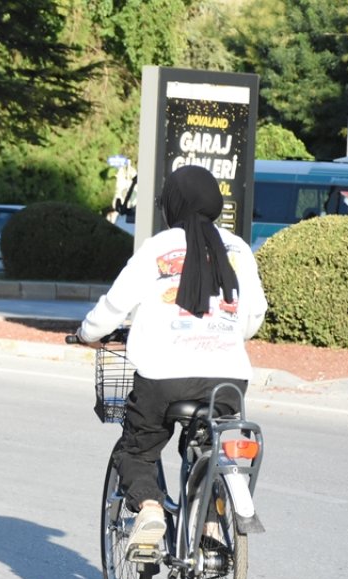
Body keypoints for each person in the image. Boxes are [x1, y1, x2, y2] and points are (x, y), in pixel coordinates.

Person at [75, 165, 267, 559]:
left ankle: (148, 510)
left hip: (164, 377)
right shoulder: (240, 249)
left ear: (172, 205)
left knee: (139, 449)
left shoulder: (158, 248)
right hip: (227, 378)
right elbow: (253, 315)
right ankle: (212, 518)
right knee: (206, 443)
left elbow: (114, 306)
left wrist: (87, 334)